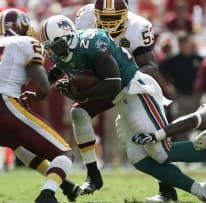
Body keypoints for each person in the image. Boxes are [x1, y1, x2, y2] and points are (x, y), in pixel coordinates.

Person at [39, 14, 206, 203]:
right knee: (141, 160)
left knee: (161, 152)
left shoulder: (94, 42)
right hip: (122, 100)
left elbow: (113, 82)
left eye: (56, 46)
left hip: (135, 91)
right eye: (51, 48)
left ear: (69, 37)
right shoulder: (60, 52)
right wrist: (52, 82)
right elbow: (66, 67)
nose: (54, 52)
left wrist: (78, 93)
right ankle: (202, 190)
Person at [0, 9, 80, 203]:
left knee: (20, 148)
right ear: (22, 27)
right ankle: (47, 195)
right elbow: (44, 88)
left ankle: (65, 184)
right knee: (64, 153)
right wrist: (36, 96)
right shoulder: (26, 42)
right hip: (2, 105)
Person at [72, 0, 178, 200]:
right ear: (94, 14)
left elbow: (151, 66)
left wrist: (123, 77)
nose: (109, 25)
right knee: (78, 113)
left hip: (131, 86)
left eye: (114, 18)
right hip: (104, 84)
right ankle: (93, 175)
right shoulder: (84, 18)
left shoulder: (138, 27)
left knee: (150, 137)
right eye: (104, 18)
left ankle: (167, 190)